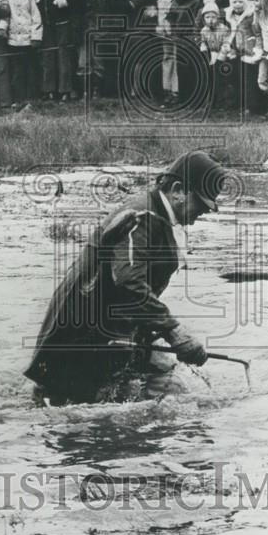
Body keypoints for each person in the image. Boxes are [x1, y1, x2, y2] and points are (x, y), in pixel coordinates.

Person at [25, 151, 221, 405]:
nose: (204, 212)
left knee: (161, 385)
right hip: (83, 336)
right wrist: (173, 330)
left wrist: (156, 334)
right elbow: (128, 282)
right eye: (201, 203)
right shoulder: (141, 218)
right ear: (177, 189)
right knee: (69, 411)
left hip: (109, 332)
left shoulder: (157, 217)